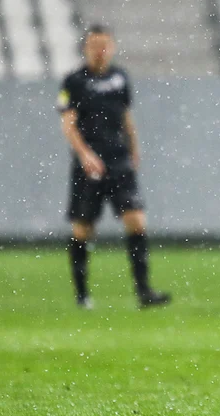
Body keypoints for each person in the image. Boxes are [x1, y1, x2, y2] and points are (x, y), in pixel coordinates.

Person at [58, 24, 170, 310]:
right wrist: (84, 154)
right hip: (90, 164)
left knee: (136, 220)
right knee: (83, 229)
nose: (100, 50)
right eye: (95, 45)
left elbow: (126, 116)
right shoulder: (73, 81)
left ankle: (144, 291)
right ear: (86, 48)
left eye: (105, 44)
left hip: (119, 159)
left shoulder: (120, 78)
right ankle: (82, 295)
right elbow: (68, 124)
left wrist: (134, 147)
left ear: (113, 47)